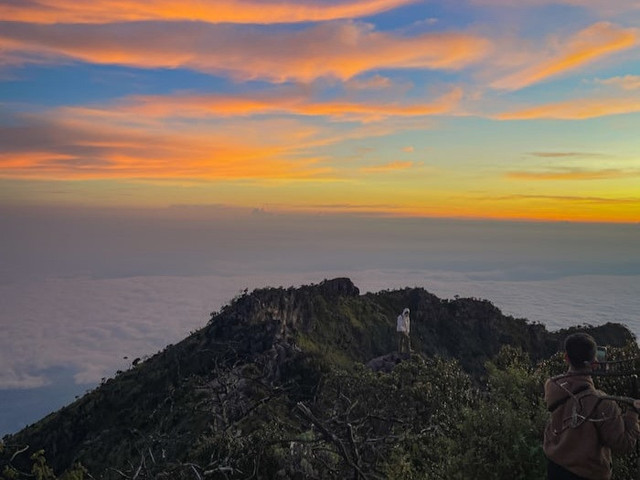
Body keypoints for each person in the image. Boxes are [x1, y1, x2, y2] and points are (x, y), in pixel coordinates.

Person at [544, 332, 640, 480]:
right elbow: (623, 444)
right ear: (595, 364)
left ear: (566, 358)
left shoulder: (552, 385)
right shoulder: (603, 403)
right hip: (587, 474)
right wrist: (633, 412)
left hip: (555, 467)